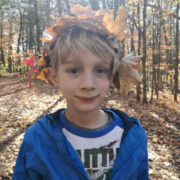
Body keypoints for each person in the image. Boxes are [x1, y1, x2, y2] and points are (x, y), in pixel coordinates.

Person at [12, 5, 149, 180]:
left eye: (99, 70)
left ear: (112, 75)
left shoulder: (133, 136)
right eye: (74, 70)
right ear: (54, 77)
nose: (88, 84)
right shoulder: (38, 139)